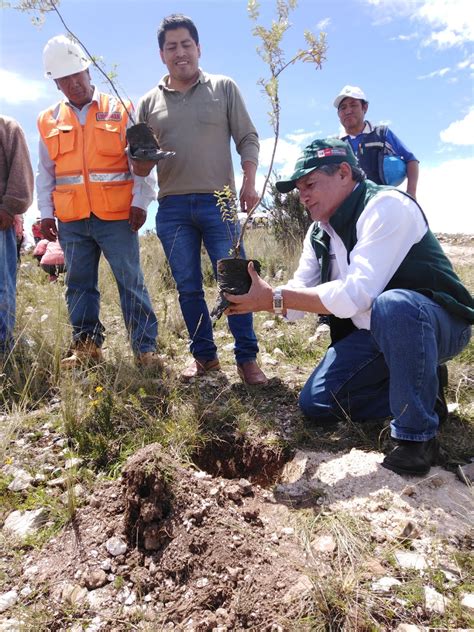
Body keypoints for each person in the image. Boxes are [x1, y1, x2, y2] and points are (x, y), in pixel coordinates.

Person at [225, 138, 473, 477]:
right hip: (373, 331)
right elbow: (297, 299)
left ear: (344, 172)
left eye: (310, 184)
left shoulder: (386, 207)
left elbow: (356, 296)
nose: (304, 196)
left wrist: (275, 297)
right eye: (299, 189)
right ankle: (424, 390)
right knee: (316, 404)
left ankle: (417, 439)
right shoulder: (318, 232)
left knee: (394, 304)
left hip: (434, 323)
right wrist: (259, 297)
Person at [133, 14, 267, 385]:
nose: (180, 53)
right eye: (171, 47)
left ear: (198, 47)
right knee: (188, 286)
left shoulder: (223, 88)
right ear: (162, 55)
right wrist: (141, 160)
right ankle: (204, 357)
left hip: (220, 201)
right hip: (173, 207)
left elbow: (248, 136)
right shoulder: (147, 103)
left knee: (237, 282)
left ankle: (247, 360)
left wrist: (250, 181)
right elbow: (140, 169)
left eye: (186, 44)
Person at [37, 35, 161, 369]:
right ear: (56, 83)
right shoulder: (47, 120)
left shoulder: (120, 109)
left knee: (130, 281)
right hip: (72, 218)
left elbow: (142, 160)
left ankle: (145, 349)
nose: (74, 83)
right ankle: (86, 346)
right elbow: (45, 173)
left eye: (77, 75)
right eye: (65, 79)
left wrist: (141, 202)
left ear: (89, 72)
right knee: (78, 285)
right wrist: (45, 212)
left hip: (118, 216)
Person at [334, 85, 419, 197]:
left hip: (382, 201)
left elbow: (411, 160)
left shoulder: (382, 134)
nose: (348, 111)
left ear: (365, 108)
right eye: (343, 108)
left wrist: (411, 194)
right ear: (338, 114)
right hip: (349, 208)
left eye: (353, 105)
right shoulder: (335, 145)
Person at [0, 115, 34, 365]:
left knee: (1, 287)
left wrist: (9, 208)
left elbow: (20, 172)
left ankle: (2, 348)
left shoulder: (7, 127)